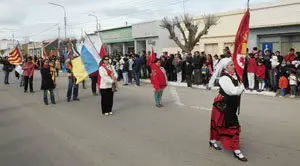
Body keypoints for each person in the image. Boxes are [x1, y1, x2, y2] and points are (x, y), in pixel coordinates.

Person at [209, 58, 247, 162]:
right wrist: (242, 87)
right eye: (231, 65)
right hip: (223, 103)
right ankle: (236, 150)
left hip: (231, 104)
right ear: (225, 67)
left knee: (220, 124)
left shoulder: (235, 76)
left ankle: (212, 141)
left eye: (233, 65)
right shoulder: (224, 78)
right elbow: (233, 91)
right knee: (231, 125)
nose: (234, 66)